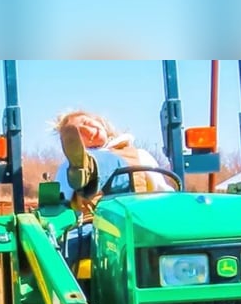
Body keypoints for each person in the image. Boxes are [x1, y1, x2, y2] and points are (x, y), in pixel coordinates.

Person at [51, 110, 177, 271]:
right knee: (60, 252)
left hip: (136, 219)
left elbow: (162, 191)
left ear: (101, 122)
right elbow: (61, 203)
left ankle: (91, 171)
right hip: (96, 226)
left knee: (112, 161)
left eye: (86, 121)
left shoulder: (139, 155)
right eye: (79, 131)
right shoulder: (68, 167)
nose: (87, 126)